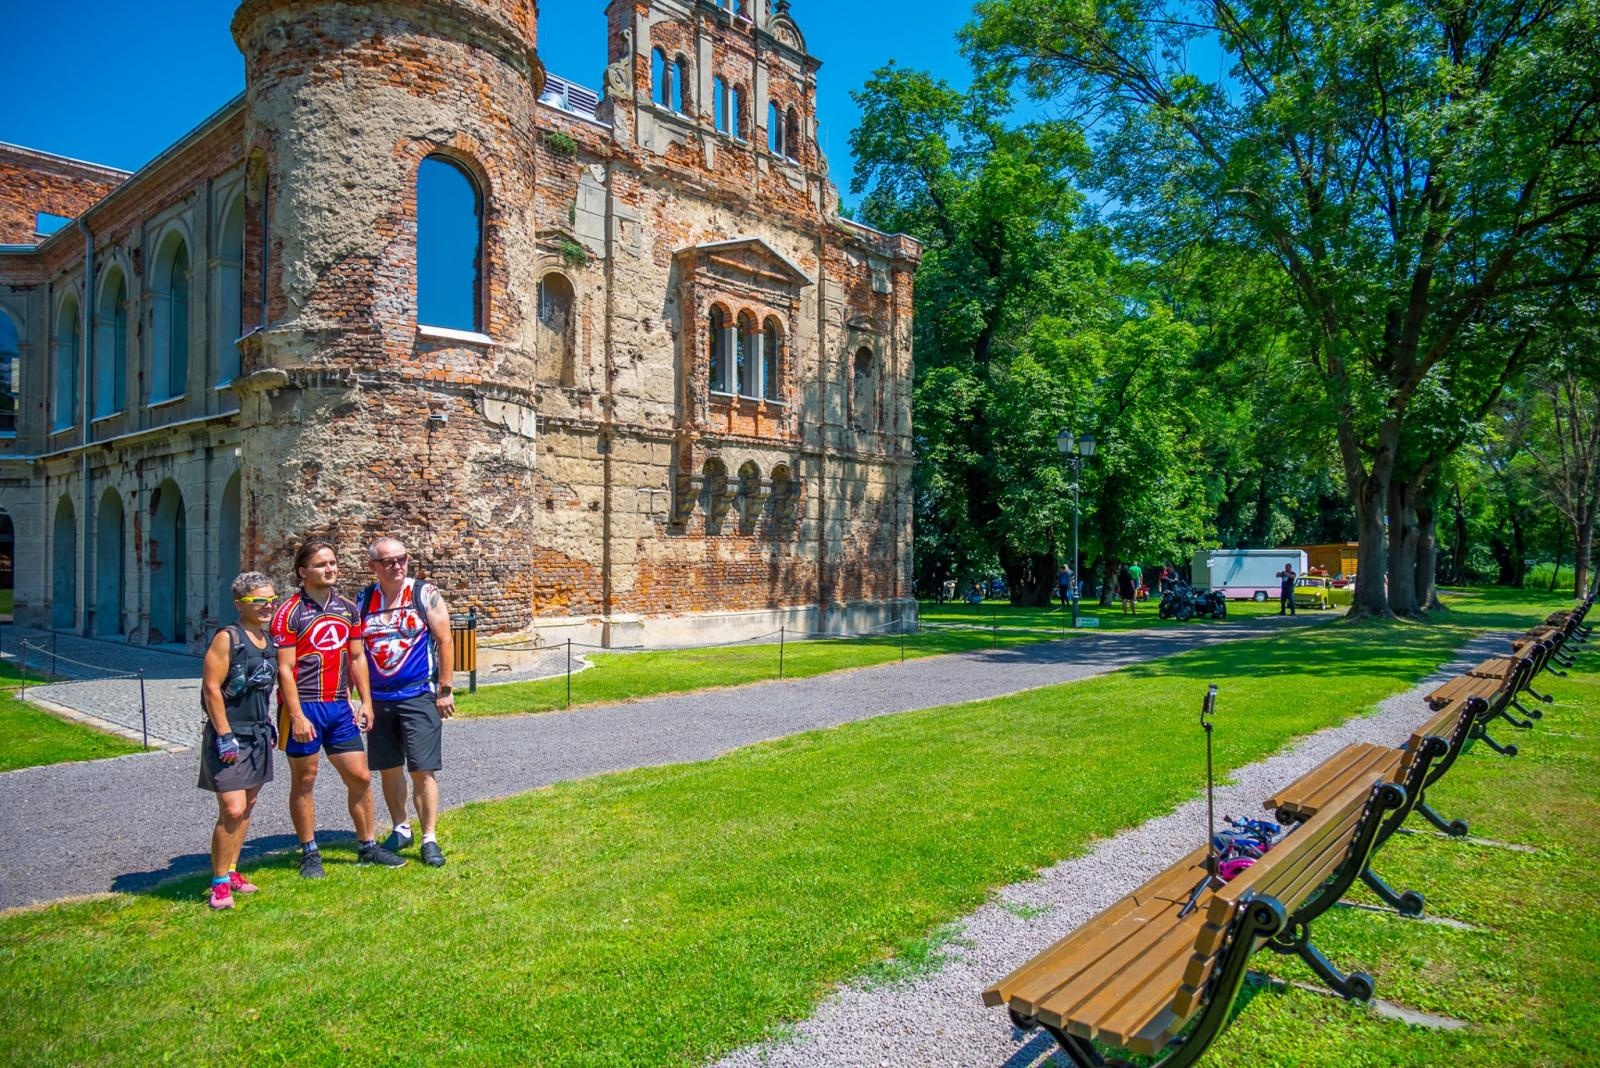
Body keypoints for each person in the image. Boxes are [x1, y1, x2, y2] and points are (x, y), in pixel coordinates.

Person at [271, 541, 406, 876]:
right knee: (305, 779)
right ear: (303, 572)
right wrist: (298, 715)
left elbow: (357, 657)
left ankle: (367, 846)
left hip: (339, 705)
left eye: (332, 563)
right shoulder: (289, 613)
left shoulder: (348, 609)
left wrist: (366, 702)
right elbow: (285, 668)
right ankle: (309, 852)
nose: (329, 569)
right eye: (320, 564)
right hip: (304, 706)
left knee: (359, 776)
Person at [359, 536, 455, 868]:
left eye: (402, 559)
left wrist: (444, 690)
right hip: (379, 700)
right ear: (373, 566)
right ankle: (401, 828)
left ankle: (429, 838)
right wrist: (359, 699)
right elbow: (354, 652)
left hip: (417, 695)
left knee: (422, 769)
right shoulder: (363, 601)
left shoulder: (423, 594)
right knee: (388, 769)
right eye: (388, 561)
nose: (397, 566)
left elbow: (444, 639)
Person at [198, 572, 280, 911]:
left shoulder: (267, 640)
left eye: (271, 601)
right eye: (258, 601)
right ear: (239, 604)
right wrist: (224, 735)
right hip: (230, 735)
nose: (267, 607)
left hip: (259, 733)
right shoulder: (227, 638)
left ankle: (231, 869)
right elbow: (211, 688)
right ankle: (218, 883)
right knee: (231, 808)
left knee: (247, 806)